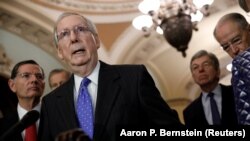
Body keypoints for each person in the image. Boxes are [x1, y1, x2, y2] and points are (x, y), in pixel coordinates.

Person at [38, 12, 182, 141]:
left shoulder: (134, 78)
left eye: (80, 29)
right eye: (64, 34)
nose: (74, 38)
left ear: (96, 41)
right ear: (60, 52)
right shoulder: (50, 104)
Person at [183, 50, 238, 127]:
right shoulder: (189, 112)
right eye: (195, 67)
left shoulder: (236, 93)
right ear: (193, 77)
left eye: (206, 65)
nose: (200, 69)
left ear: (217, 71)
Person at [213, 13, 250, 125]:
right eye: (226, 47)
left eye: (236, 40)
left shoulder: (240, 63)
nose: (234, 50)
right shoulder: (237, 72)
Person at [0, 60, 45, 141]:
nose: (34, 80)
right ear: (12, 85)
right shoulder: (2, 126)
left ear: (44, 85)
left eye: (39, 76)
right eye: (26, 75)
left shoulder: (59, 117)